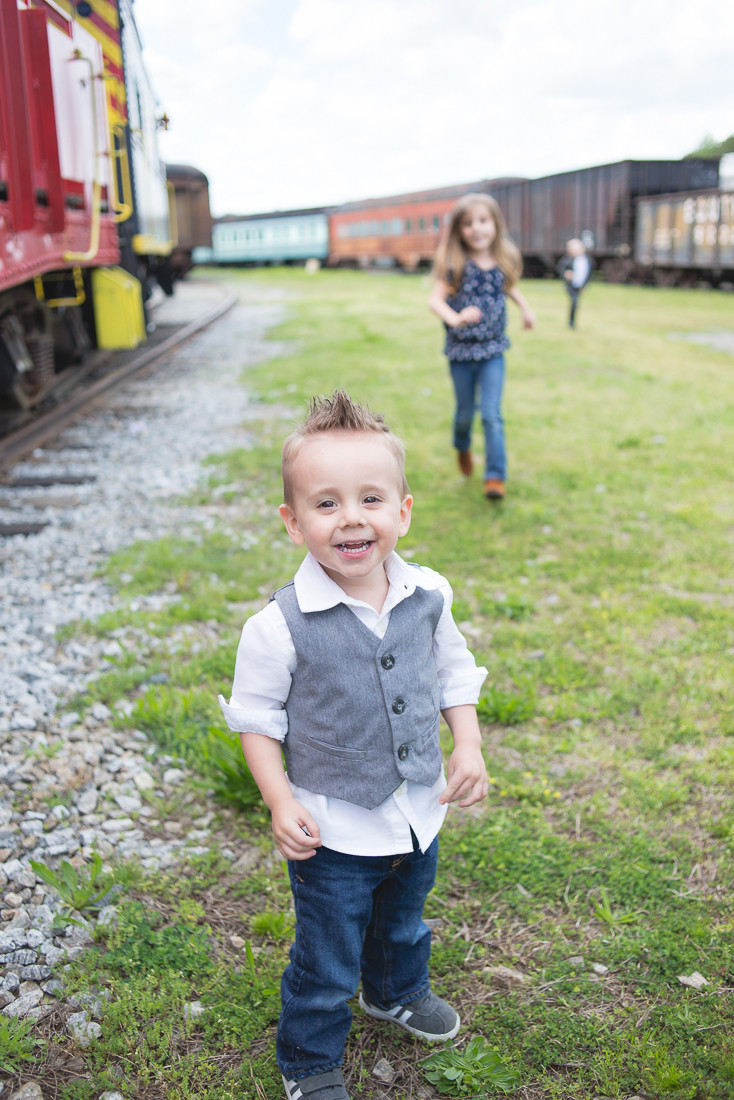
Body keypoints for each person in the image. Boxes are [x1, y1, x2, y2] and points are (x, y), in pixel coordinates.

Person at [219, 390, 489, 1100]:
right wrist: (279, 801)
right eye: (326, 504)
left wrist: (467, 745)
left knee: (403, 920)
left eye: (370, 499)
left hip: (417, 810)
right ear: (293, 521)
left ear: (402, 510)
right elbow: (257, 721)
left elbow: (454, 672)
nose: (351, 520)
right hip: (333, 830)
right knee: (327, 955)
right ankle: (307, 1058)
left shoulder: (428, 594)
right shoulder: (277, 627)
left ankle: (395, 991)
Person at [429, 193, 535, 501]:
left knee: (491, 413)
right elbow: (434, 300)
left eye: (483, 221)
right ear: (459, 230)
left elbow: (510, 286)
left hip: (492, 351)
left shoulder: (503, 260)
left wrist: (527, 309)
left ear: (495, 225)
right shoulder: (455, 264)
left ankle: (495, 476)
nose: (477, 228)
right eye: (468, 223)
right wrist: (457, 317)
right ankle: (462, 446)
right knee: (465, 412)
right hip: (461, 353)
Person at [558, 238, 591, 328]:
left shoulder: (587, 260)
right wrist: (566, 274)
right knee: (574, 301)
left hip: (580, 284)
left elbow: (589, 274)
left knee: (576, 303)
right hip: (570, 285)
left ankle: (572, 321)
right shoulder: (568, 259)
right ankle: (571, 323)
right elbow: (560, 268)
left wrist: (585, 285)